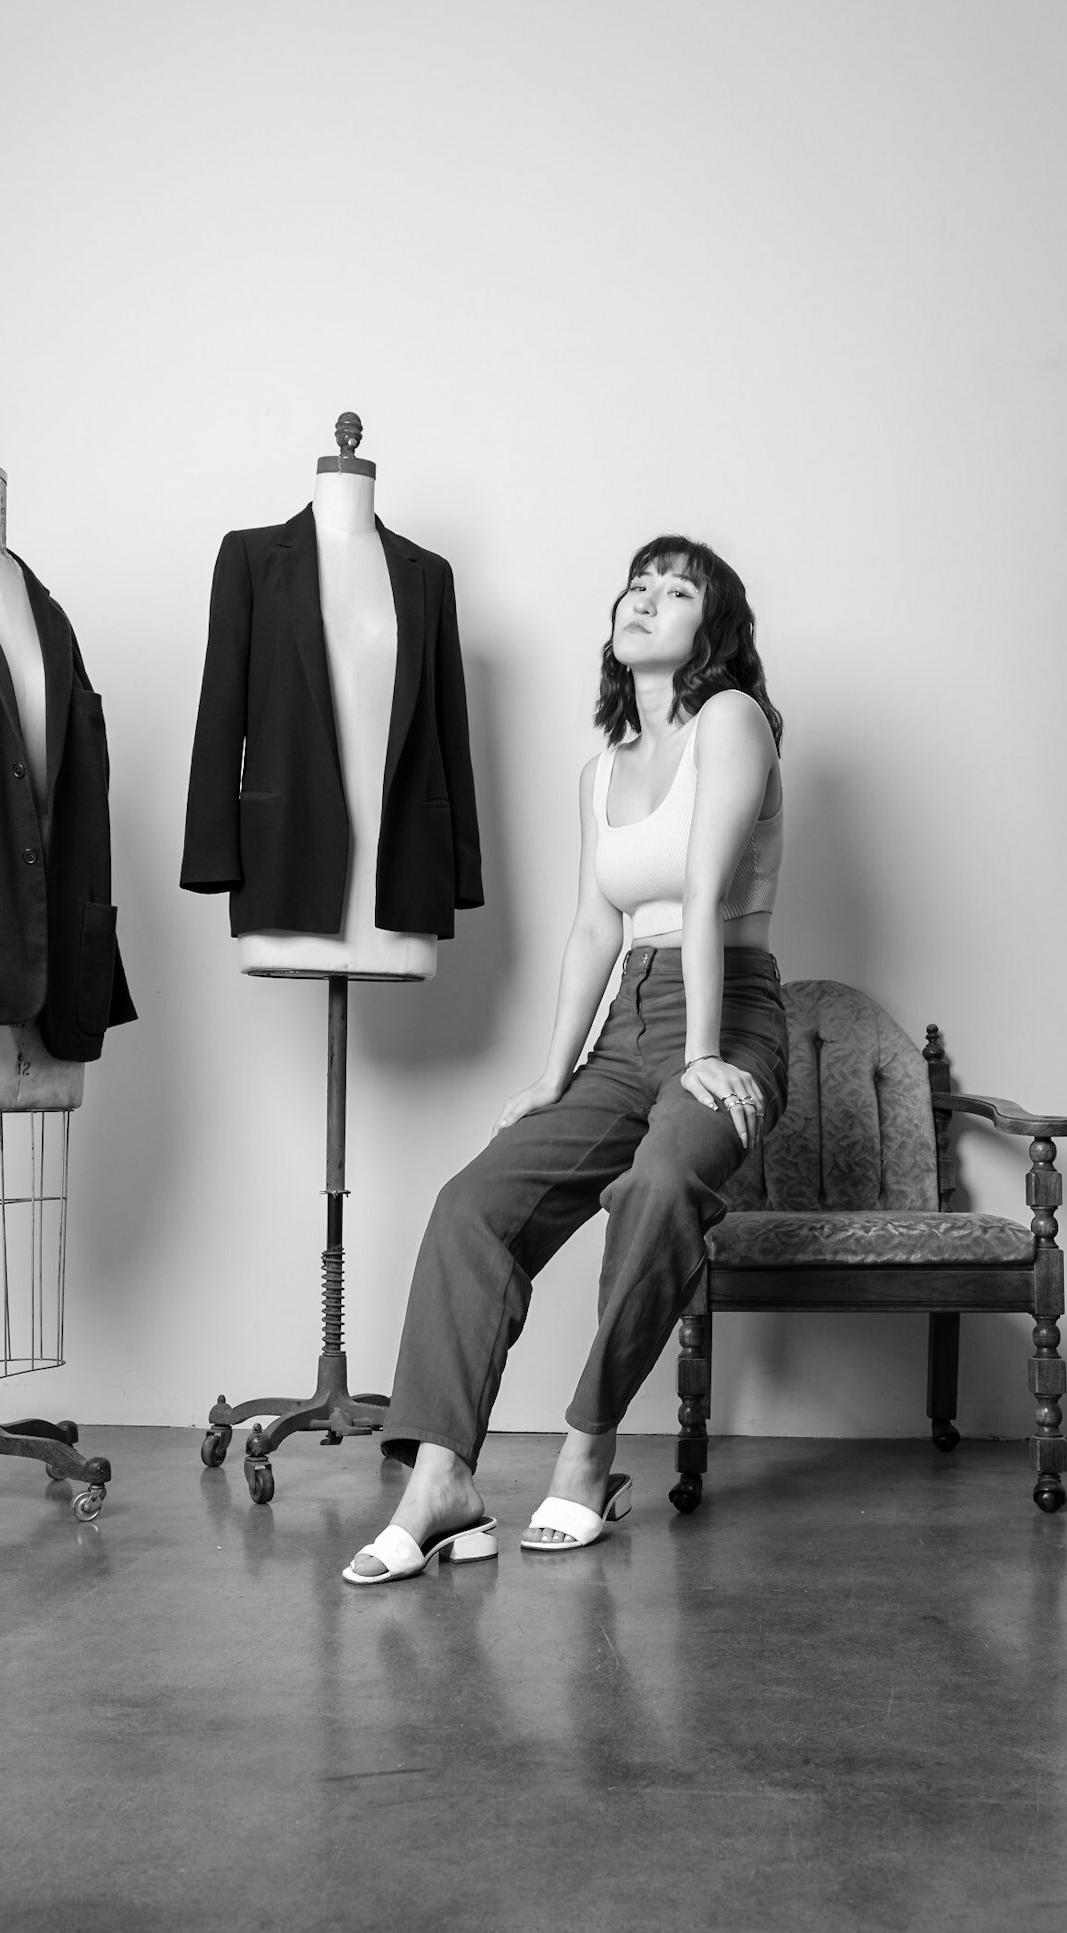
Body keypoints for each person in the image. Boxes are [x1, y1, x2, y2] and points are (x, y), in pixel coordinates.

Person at [344, 536, 787, 1584]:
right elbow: (594, 930)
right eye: (638, 583)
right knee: (471, 1204)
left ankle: (586, 1454)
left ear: (714, 629)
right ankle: (442, 1484)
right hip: (627, 1026)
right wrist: (554, 1077)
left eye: (678, 590)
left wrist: (704, 1054)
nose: (647, 598)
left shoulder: (733, 720)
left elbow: (705, 897)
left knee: (659, 1184)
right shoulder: (601, 771)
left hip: (727, 1013)